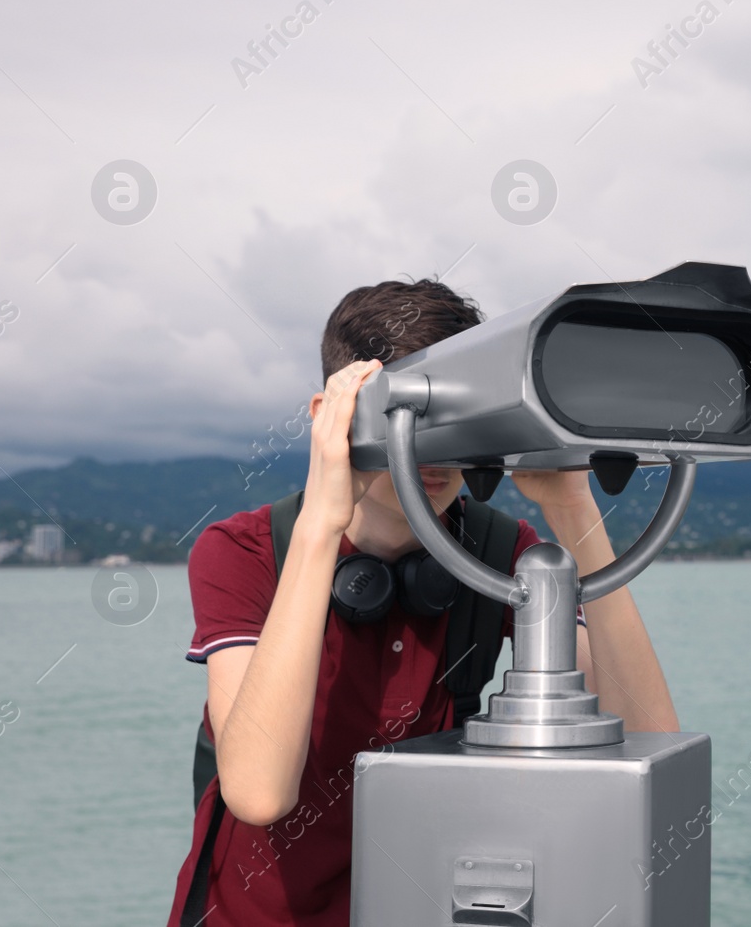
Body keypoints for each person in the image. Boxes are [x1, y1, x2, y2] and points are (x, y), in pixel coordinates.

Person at [165, 279, 678, 927]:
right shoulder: (243, 551)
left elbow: (651, 745)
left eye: (453, 417)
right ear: (334, 413)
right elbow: (259, 792)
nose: (431, 448)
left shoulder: (494, 551)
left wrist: (573, 506)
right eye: (408, 413)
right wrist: (322, 524)